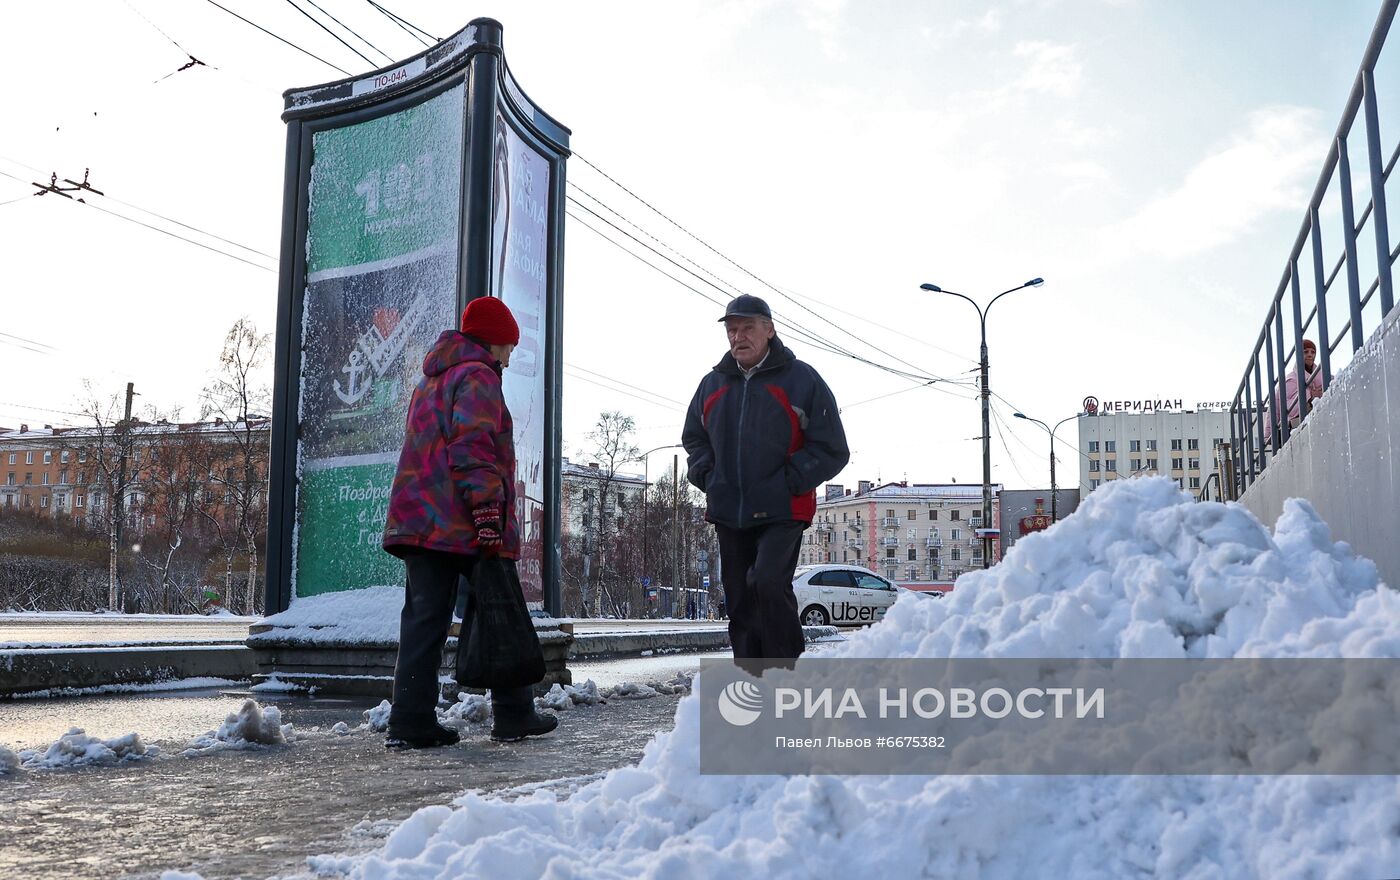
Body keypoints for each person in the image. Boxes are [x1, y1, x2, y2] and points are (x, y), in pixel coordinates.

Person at [381, 296, 557, 749]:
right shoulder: (478, 376)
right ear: (493, 343)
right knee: (501, 609)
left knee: (424, 619)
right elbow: (473, 450)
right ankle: (514, 715)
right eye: (508, 346)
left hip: (418, 519)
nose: (510, 355)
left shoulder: (430, 380)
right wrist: (486, 514)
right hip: (457, 520)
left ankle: (410, 719)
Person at [682, 294, 849, 661]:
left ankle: (786, 675)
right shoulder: (712, 385)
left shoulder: (801, 380)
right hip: (729, 508)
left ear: (769, 330)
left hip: (783, 508)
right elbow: (694, 438)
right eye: (732, 329)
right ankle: (750, 680)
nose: (738, 336)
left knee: (768, 583)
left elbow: (833, 448)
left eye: (747, 328)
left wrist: (790, 480)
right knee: (740, 598)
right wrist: (708, 475)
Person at [1282, 338, 1325, 428]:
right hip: (1297, 425)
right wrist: (1310, 395)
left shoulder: (1323, 375)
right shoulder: (1290, 379)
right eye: (1305, 352)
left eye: (1313, 352)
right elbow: (1288, 409)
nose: (1310, 355)